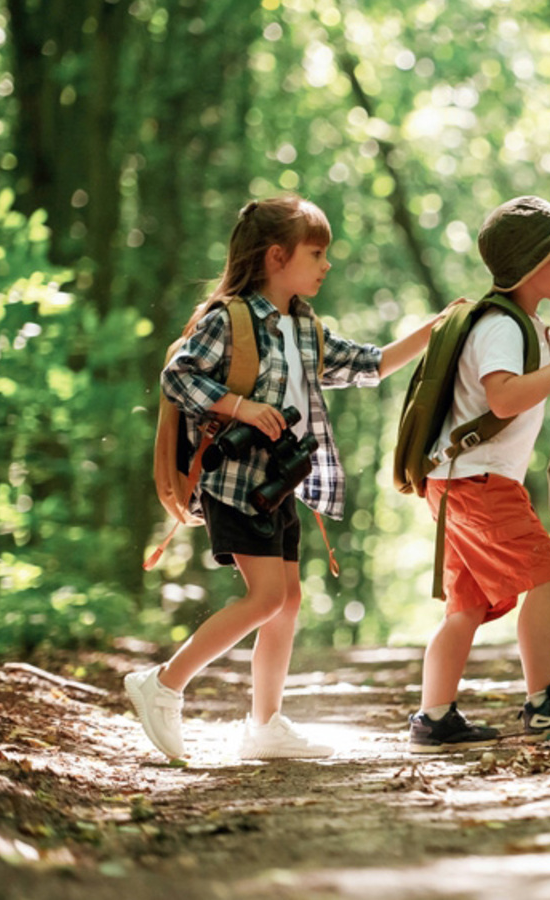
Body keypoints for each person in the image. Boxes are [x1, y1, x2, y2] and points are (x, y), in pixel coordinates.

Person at [126, 195, 443, 760]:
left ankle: (265, 725)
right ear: (277, 256)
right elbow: (178, 376)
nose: (326, 265)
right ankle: (164, 685)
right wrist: (240, 407)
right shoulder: (230, 319)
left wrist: (438, 328)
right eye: (316, 253)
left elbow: (368, 364)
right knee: (266, 597)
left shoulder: (302, 326)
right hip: (235, 485)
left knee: (288, 600)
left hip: (278, 486)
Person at [407, 196, 550, 752]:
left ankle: (435, 716)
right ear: (532, 264)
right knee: (547, 576)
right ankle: (545, 702)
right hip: (478, 482)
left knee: (467, 605)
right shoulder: (501, 327)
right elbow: (502, 398)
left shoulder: (518, 322)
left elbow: (538, 355)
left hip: (456, 480)